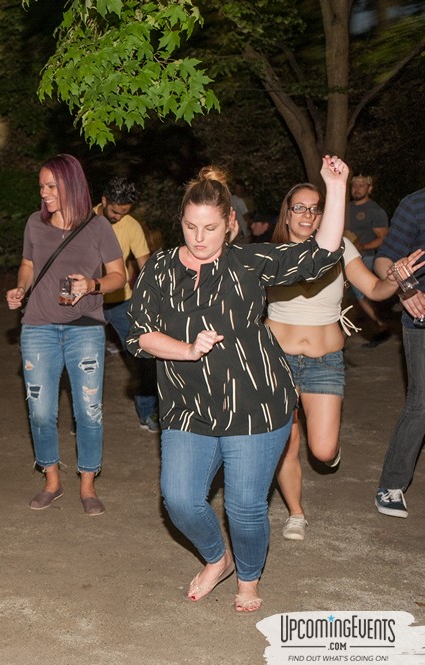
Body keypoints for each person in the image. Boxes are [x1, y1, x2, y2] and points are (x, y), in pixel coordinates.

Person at [126, 156, 348, 613]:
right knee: (180, 499)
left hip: (256, 402)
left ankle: (249, 577)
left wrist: (336, 187)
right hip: (188, 406)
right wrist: (187, 349)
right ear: (181, 223)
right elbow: (139, 333)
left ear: (230, 223)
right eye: (190, 227)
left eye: (210, 228)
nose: (199, 238)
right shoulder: (161, 268)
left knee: (245, 507)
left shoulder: (251, 260)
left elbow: (322, 254)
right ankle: (217, 558)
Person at [266, 182, 422, 540]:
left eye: (315, 208)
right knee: (285, 443)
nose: (307, 215)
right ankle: (296, 513)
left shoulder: (339, 247)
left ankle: (329, 452)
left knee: (322, 450)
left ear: (324, 213)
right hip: (277, 361)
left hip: (324, 362)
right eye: (299, 207)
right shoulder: (270, 252)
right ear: (287, 213)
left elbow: (375, 290)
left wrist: (395, 279)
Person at [5, 154, 126, 515]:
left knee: (88, 411)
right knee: (41, 412)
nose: (43, 193)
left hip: (85, 328)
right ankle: (52, 481)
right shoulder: (34, 224)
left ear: (71, 185)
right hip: (38, 326)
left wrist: (92, 284)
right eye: (41, 187)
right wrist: (21, 288)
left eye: (50, 186)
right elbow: (27, 265)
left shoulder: (98, 227)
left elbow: (120, 275)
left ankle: (87, 486)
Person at [372, 187, 425, 518]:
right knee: (421, 403)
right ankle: (390, 486)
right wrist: (405, 289)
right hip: (422, 316)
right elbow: (383, 260)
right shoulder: (415, 204)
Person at [94, 176, 159, 431]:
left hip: (123, 301)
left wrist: (155, 297)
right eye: (114, 211)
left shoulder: (131, 225)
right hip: (89, 302)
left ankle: (147, 412)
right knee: (88, 361)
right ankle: (86, 418)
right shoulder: (83, 220)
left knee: (143, 355)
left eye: (124, 213)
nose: (118, 217)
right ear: (104, 200)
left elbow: (145, 265)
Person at [346, 174, 391, 344]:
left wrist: (363, 247)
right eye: (354, 186)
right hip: (343, 258)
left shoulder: (374, 211)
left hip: (365, 259)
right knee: (352, 297)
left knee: (363, 295)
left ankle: (382, 325)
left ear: (369, 189)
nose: (356, 189)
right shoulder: (346, 208)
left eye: (361, 185)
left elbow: (383, 237)